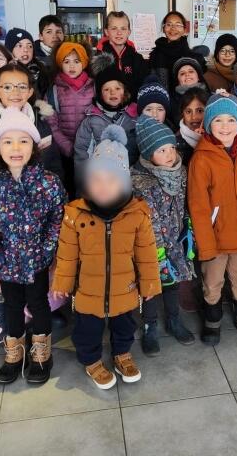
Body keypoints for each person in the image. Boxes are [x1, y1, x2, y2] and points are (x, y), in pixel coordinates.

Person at [52, 125, 161, 390]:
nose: (103, 186)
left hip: (125, 289)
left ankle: (122, 353)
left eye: (111, 180)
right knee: (87, 329)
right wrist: (63, 283)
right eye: (96, 179)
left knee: (125, 325)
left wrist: (149, 284)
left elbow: (147, 254)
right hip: (88, 290)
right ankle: (91, 360)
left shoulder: (137, 214)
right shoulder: (75, 214)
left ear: (124, 182)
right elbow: (67, 254)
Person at [0, 108, 66, 384]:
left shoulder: (49, 183)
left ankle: (41, 354)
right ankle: (14, 353)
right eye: (8, 141)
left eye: (23, 141)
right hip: (5, 263)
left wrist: (47, 250)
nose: (15, 148)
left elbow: (58, 218)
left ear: (33, 147)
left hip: (38, 261)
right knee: (12, 306)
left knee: (39, 303)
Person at [188, 92, 237, 345]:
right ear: (209, 124)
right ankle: (213, 320)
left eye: (231, 120)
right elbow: (198, 205)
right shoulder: (202, 158)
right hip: (216, 237)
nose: (225, 126)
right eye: (218, 120)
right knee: (213, 282)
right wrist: (206, 243)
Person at [132, 116, 195, 355]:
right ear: (148, 154)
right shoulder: (139, 181)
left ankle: (174, 319)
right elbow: (146, 218)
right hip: (151, 245)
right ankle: (150, 326)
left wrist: (188, 228)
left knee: (172, 284)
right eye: (161, 150)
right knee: (150, 286)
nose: (169, 154)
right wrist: (157, 247)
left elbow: (186, 204)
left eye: (171, 148)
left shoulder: (181, 172)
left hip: (176, 241)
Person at [74, 53, 138, 186]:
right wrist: (86, 184)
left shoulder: (135, 117)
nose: (112, 92)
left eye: (117, 88)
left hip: (130, 179)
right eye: (107, 89)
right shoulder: (91, 120)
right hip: (100, 181)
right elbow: (82, 153)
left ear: (125, 91)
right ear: (100, 94)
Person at [50, 41, 94, 197]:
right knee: (67, 188)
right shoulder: (54, 90)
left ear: (84, 63)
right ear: (60, 64)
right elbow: (52, 125)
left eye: (76, 61)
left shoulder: (94, 88)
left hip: (89, 151)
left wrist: (86, 148)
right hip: (64, 152)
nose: (72, 66)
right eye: (66, 61)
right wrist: (68, 148)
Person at [95, 11, 150, 95]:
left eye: (123, 28)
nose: (119, 33)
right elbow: (97, 89)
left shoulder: (137, 59)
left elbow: (144, 85)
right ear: (106, 32)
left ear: (129, 32)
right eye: (114, 28)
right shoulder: (98, 59)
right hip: (108, 103)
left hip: (133, 102)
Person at [6, 27, 52, 105]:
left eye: (30, 46)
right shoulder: (4, 73)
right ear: (10, 50)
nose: (26, 50)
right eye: (19, 46)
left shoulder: (43, 70)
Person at [149, 11, 193, 91]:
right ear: (163, 29)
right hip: (161, 96)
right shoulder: (155, 54)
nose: (173, 28)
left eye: (178, 25)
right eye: (169, 24)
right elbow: (152, 82)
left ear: (184, 30)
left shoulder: (190, 56)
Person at [175, 86, 208, 165]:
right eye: (188, 112)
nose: (194, 117)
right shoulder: (175, 146)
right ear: (182, 114)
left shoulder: (219, 137)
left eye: (199, 111)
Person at [170, 56, 208, 122]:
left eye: (191, 71)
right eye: (182, 73)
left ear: (198, 77)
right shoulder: (171, 101)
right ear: (178, 80)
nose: (187, 74)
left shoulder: (211, 97)